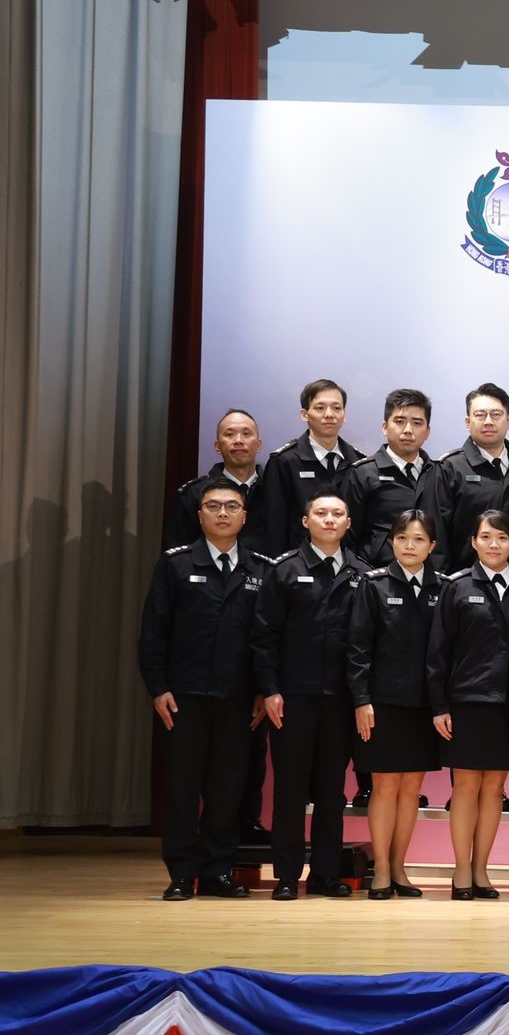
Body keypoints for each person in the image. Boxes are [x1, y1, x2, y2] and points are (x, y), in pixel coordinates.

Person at [138, 479, 269, 899]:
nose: (224, 513)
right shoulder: (175, 565)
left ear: (245, 516)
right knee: (182, 788)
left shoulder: (260, 569)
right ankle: (181, 873)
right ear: (200, 515)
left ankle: (217, 871)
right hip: (185, 697)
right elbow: (153, 633)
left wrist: (263, 691)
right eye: (214, 506)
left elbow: (266, 640)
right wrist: (158, 687)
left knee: (227, 788)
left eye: (232, 506)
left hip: (238, 701)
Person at [252, 490, 369, 900]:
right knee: (290, 789)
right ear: (306, 522)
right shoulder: (284, 571)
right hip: (293, 698)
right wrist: (269, 690)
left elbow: (365, 643)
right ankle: (286, 874)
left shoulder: (361, 572)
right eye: (321, 513)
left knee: (331, 791)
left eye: (338, 513)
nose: (330, 519)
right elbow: (264, 636)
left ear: (349, 523)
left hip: (339, 700)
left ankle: (323, 874)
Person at [425, 508, 509, 901]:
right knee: (465, 787)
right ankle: (460, 870)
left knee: (494, 788)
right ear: (474, 542)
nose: (494, 544)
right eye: (486, 537)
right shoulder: (457, 586)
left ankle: (482, 869)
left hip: (508, 703)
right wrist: (439, 705)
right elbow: (438, 653)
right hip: (466, 700)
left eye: (502, 537)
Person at [345, 509, 442, 899]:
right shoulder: (374, 585)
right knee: (384, 788)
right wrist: (362, 699)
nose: (410, 546)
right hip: (382, 703)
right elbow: (357, 648)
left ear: (431, 546)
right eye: (402, 538)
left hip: (423, 705)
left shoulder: (442, 587)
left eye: (419, 539)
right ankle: (382, 869)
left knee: (410, 789)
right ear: (392, 542)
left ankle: (400, 866)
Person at [422, 383, 509, 575]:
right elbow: (435, 534)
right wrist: (442, 584)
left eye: (496, 414)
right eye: (480, 415)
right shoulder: (448, 469)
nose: (488, 421)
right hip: (463, 583)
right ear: (467, 421)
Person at [260, 379, 361, 558]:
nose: (329, 414)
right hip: (298, 565)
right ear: (304, 414)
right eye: (320, 408)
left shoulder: (359, 462)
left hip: (349, 564)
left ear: (344, 415)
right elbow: (274, 525)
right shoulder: (284, 461)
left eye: (337, 408)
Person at [339, 388, 437, 568]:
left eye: (417, 423)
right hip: (375, 577)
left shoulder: (439, 473)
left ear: (427, 431)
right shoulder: (363, 473)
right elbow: (347, 536)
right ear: (385, 427)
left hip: (429, 580)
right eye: (400, 421)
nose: (408, 430)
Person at [167, 409, 269, 553]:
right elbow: (178, 557)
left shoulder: (276, 490)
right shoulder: (194, 494)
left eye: (246, 434)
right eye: (229, 434)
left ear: (259, 444)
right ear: (217, 446)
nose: (238, 440)